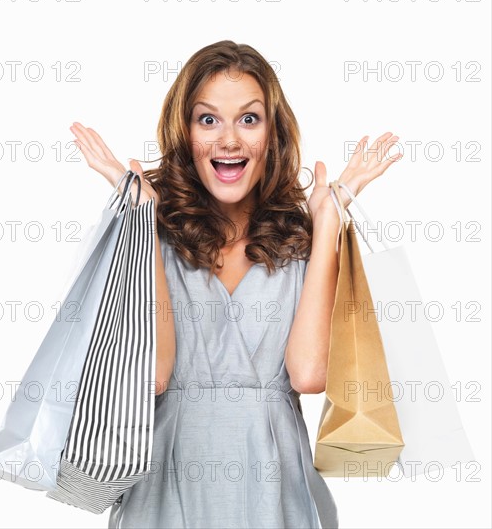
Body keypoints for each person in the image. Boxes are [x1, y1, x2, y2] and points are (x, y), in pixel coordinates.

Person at [69, 40, 402, 529]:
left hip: (275, 492)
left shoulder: (300, 242)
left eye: (249, 119)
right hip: (168, 490)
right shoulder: (152, 237)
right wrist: (142, 223)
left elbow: (308, 375)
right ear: (185, 132)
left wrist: (328, 221)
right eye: (208, 119)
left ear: (272, 133)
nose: (229, 140)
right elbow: (155, 376)